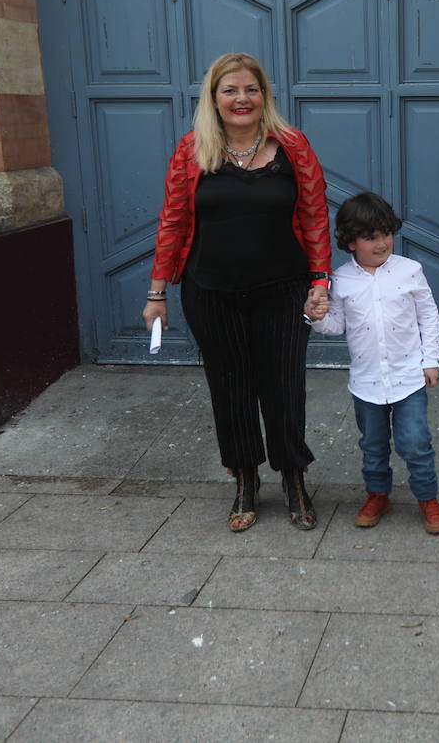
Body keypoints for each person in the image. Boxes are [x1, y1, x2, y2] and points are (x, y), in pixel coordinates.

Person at [143, 52, 331, 532]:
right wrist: (157, 291)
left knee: (284, 389)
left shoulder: (293, 147)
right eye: (230, 90)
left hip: (283, 292)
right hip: (211, 292)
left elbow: (314, 217)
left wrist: (320, 280)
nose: (241, 99)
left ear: (264, 95)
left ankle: (293, 480)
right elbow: (172, 222)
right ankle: (245, 481)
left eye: (251, 89)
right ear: (214, 98)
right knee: (230, 390)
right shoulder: (192, 151)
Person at [303, 192, 439, 534]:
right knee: (372, 444)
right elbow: (336, 326)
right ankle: (377, 494)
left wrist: (431, 360)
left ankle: (428, 498)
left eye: (385, 234)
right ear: (351, 242)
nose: (381, 243)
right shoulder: (341, 280)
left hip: (409, 377)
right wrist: (315, 316)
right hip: (367, 383)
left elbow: (428, 315)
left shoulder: (410, 271)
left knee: (415, 442)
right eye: (370, 238)